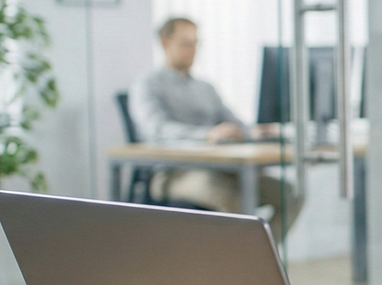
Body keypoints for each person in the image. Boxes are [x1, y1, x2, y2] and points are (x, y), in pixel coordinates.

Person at [130, 17, 304, 235]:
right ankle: (237, 263)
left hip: (222, 168)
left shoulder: (205, 88)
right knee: (234, 200)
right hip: (174, 173)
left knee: (291, 194)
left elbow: (230, 121)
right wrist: (206, 134)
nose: (192, 50)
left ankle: (258, 260)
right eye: (186, 43)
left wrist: (251, 131)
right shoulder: (147, 84)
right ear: (165, 43)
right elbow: (156, 129)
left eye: (196, 43)